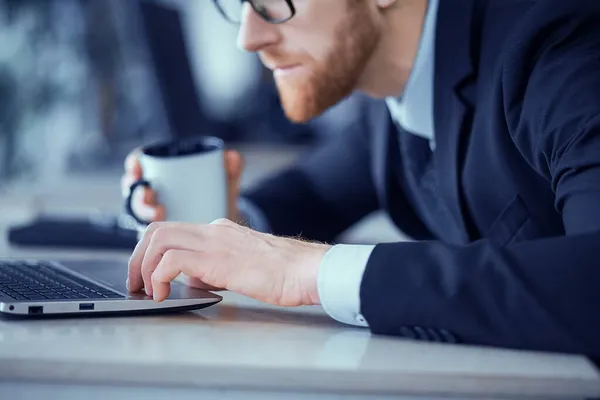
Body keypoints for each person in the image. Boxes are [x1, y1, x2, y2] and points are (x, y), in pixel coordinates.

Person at [122, 0, 600, 357]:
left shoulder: (558, 46)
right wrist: (223, 223)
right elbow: (316, 190)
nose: (249, 37)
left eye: (274, 1)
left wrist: (307, 272)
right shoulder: (388, 87)